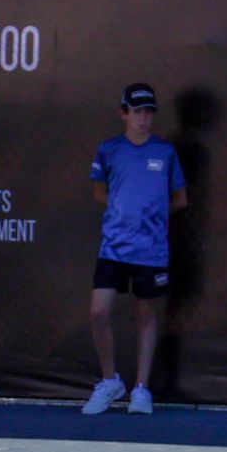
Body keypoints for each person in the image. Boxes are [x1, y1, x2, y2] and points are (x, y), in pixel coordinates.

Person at [82, 82, 188, 415]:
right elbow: (99, 191)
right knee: (98, 311)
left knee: (145, 315)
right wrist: (121, 211)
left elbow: (180, 199)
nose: (144, 118)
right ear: (123, 113)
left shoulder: (165, 152)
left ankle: (141, 389)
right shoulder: (109, 149)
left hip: (150, 249)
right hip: (113, 246)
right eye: (137, 111)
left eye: (149, 112)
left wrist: (153, 216)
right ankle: (110, 380)